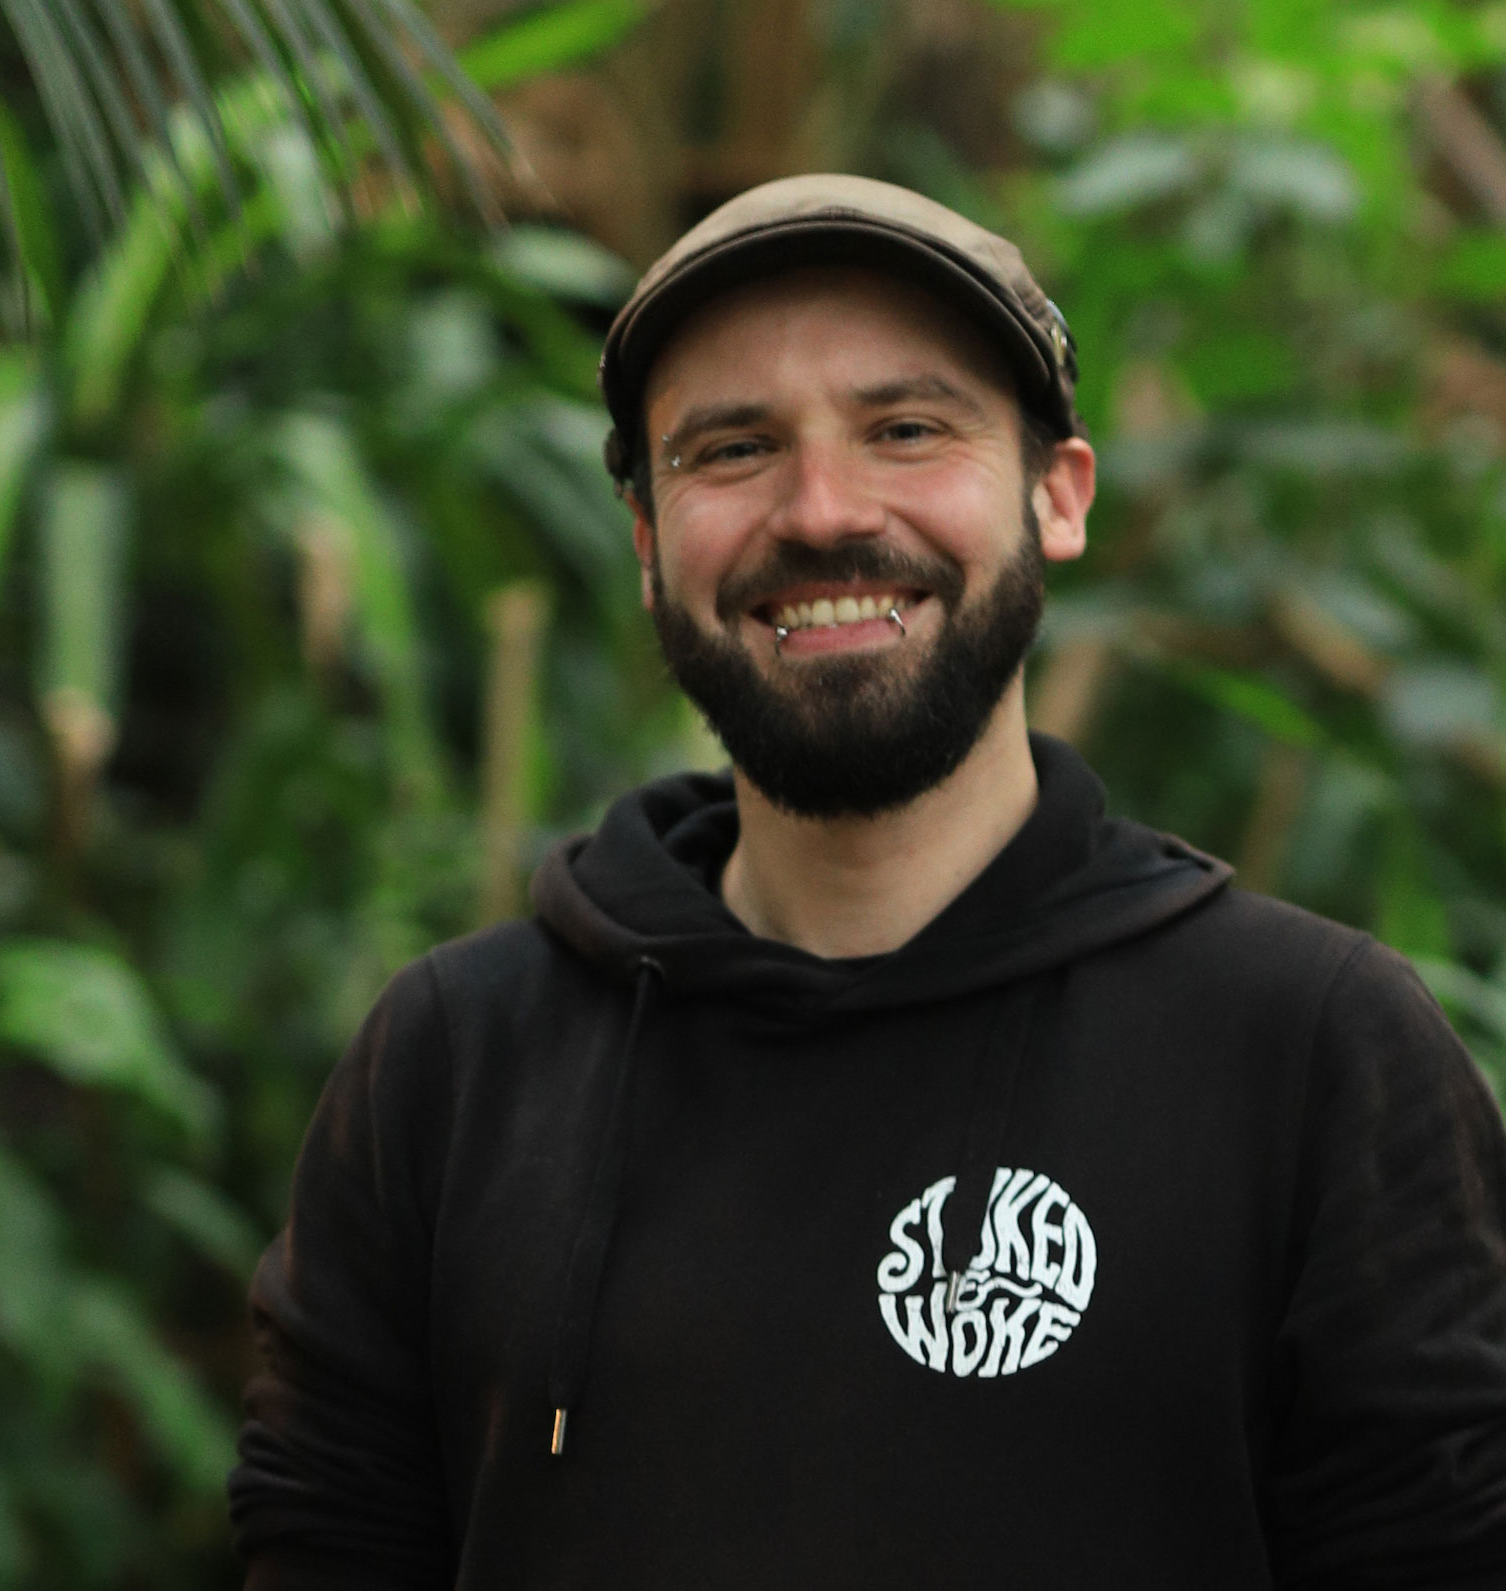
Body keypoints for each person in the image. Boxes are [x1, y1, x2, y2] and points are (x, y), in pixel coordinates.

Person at [229, 175, 1506, 1588]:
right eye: (733, 449)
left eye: (906, 430)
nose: (823, 512)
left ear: (1057, 495)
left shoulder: (1312, 1052)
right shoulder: (453, 1066)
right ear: (649, 545)